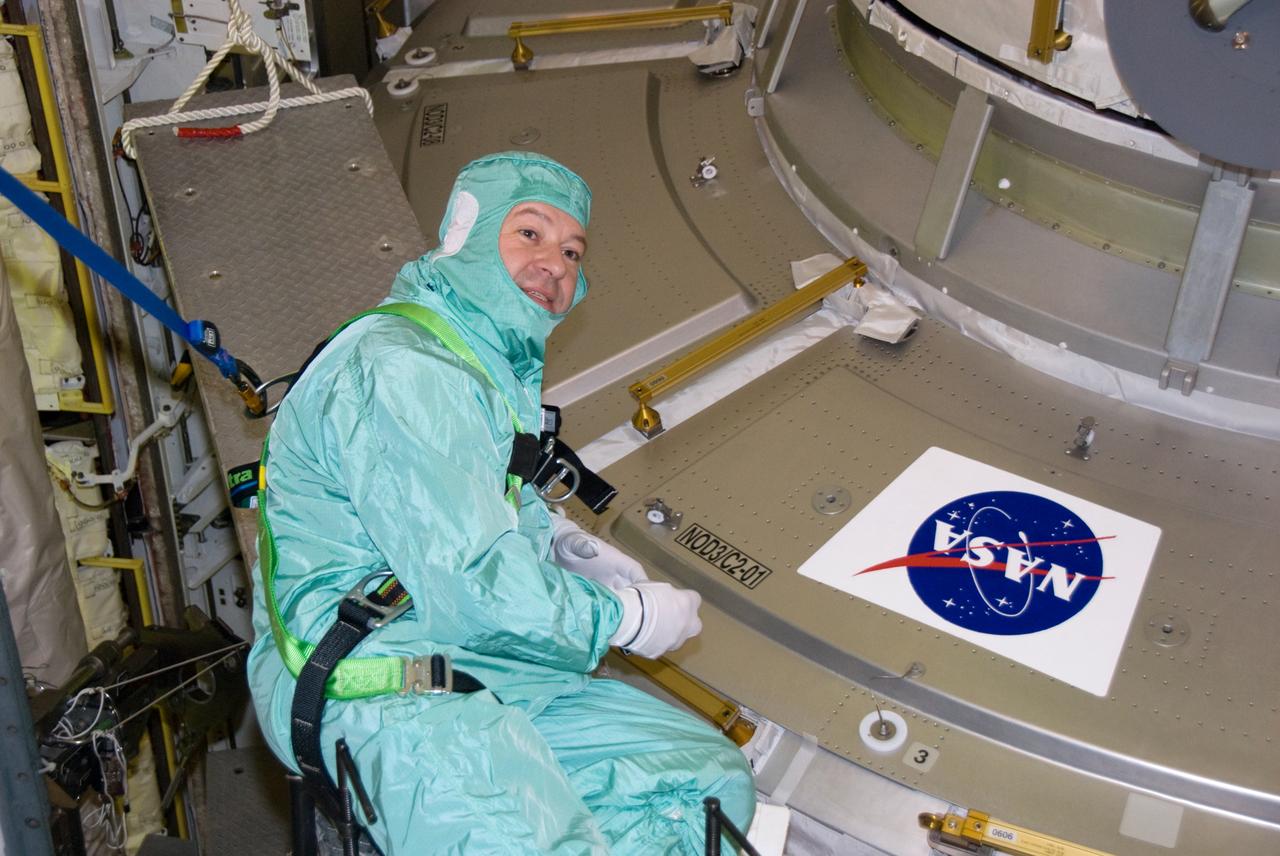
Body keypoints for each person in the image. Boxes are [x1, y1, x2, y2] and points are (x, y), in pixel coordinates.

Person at [247, 151, 755, 854]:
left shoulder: (475, 368)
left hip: (470, 659)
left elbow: (463, 501)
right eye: (530, 234)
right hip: (386, 679)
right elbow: (469, 578)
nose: (555, 262)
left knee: (701, 783)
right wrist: (623, 618)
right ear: (467, 235)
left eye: (572, 250)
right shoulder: (404, 364)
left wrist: (553, 541)